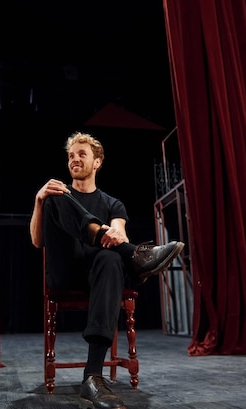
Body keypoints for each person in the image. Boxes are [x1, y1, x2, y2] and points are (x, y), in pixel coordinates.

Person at [29, 131, 184, 409]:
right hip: (65, 272)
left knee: (111, 259)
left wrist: (113, 236)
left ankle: (93, 377)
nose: (74, 159)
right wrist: (39, 201)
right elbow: (38, 241)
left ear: (97, 162)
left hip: (98, 278)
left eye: (81, 154)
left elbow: (119, 233)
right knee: (56, 193)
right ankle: (139, 256)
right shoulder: (57, 197)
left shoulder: (113, 204)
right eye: (70, 156)